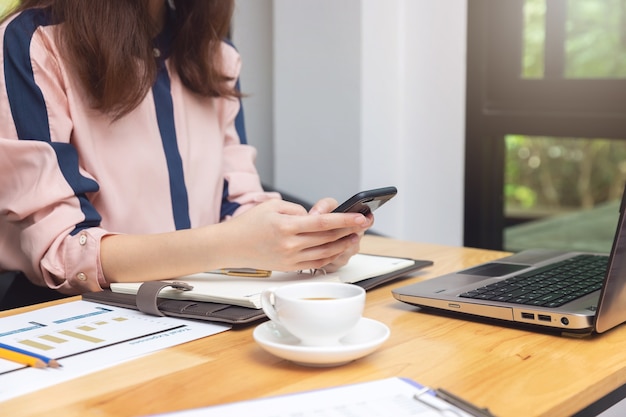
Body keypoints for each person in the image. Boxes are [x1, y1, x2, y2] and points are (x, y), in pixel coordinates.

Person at [0, 0, 373, 299]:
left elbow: (238, 204)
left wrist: (303, 241)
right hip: (85, 319)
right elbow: (62, 252)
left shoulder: (216, 55)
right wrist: (233, 243)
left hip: (205, 309)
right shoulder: (32, 43)